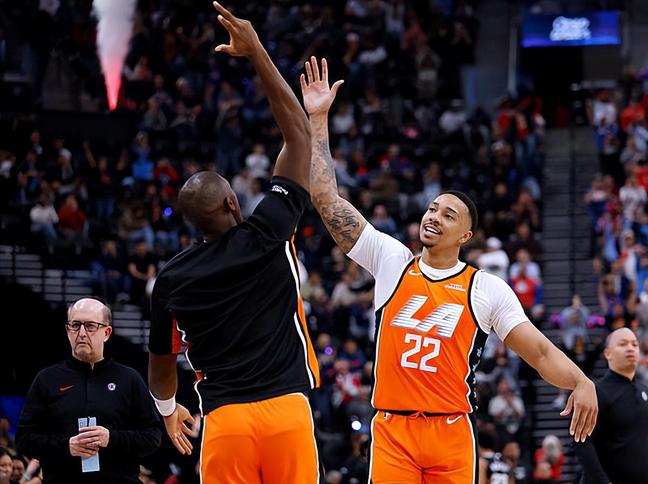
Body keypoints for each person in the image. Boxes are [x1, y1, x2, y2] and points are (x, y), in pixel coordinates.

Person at [301, 56, 597, 483]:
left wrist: (581, 381)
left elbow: (540, 353)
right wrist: (318, 120)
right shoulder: (391, 259)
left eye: (448, 215)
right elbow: (327, 201)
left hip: (452, 431)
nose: (434, 216)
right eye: (432, 208)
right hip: (393, 429)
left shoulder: (485, 288)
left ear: (466, 235)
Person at [148, 4, 320, 483]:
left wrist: (168, 409)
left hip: (225, 422)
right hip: (287, 410)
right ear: (231, 203)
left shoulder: (172, 279)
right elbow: (299, 136)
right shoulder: (268, 230)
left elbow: (161, 364)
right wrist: (256, 51)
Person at [15, 298, 161, 483]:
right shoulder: (47, 379)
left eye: (91, 326)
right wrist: (66, 446)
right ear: (68, 330)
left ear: (106, 333)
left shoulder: (129, 379)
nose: (82, 333)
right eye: (75, 325)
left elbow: (152, 437)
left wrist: (112, 438)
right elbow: (24, 440)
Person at [574, 328, 648, 483]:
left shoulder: (644, 390)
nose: (630, 348)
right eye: (623, 344)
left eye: (634, 344)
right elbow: (582, 443)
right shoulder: (596, 392)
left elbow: (643, 432)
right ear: (608, 353)